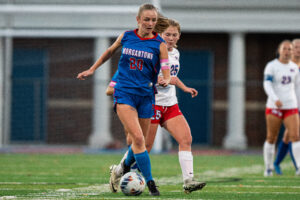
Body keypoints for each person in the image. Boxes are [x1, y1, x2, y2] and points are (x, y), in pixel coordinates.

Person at [77, 3, 171, 196]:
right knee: (137, 138)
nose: (150, 23)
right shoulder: (127, 36)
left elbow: (166, 69)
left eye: (153, 20)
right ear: (138, 20)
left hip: (146, 96)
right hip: (124, 93)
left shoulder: (159, 45)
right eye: (146, 19)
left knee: (138, 143)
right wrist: (92, 69)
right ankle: (152, 184)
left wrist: (166, 80)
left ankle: (120, 170)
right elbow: (110, 52)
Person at [145, 19, 206, 193]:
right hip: (152, 103)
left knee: (186, 139)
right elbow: (145, 77)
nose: (171, 38)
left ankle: (188, 180)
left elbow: (171, 77)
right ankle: (120, 171)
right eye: (167, 35)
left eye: (174, 35)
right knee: (145, 146)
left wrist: (185, 88)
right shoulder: (153, 52)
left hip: (170, 104)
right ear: (160, 35)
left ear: (179, 36)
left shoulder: (176, 53)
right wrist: (153, 81)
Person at [263, 40, 300, 177]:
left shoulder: (294, 68)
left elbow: (296, 88)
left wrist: (296, 104)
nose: (287, 51)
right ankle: (268, 167)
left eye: (289, 49)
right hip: (274, 107)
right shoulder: (272, 66)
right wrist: (274, 98)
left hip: (291, 106)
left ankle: (299, 167)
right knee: (271, 137)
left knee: (296, 136)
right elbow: (267, 84)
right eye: (285, 49)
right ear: (279, 50)